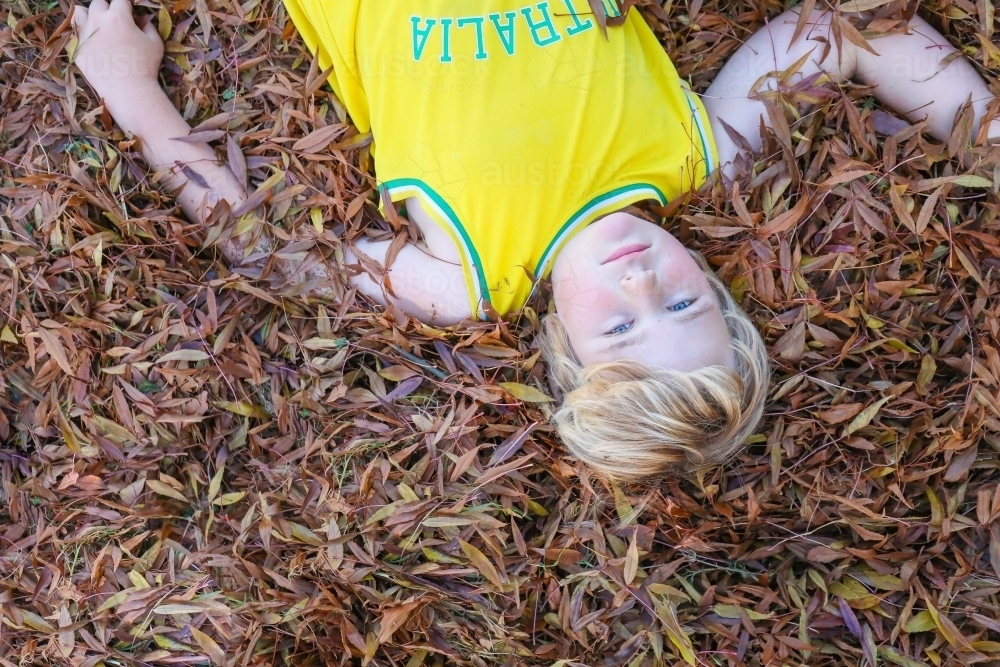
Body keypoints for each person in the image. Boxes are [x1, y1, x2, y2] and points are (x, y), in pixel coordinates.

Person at [67, 0, 997, 481]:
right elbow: (847, 28)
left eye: (622, 330)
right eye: (684, 303)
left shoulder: (466, 277)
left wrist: (127, 88)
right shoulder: (700, 154)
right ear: (720, 288)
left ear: (562, 351)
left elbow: (265, 244)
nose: (641, 282)